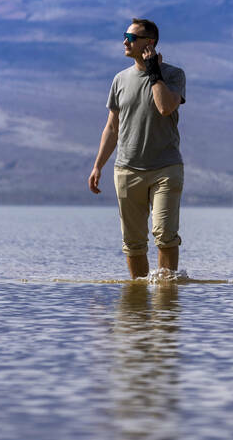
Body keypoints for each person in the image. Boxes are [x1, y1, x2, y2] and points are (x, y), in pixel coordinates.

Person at [89, 18, 187, 278]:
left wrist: (154, 72)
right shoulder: (120, 79)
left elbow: (165, 107)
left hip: (165, 168)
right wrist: (98, 165)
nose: (124, 42)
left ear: (149, 43)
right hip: (127, 170)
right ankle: (138, 304)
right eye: (125, 36)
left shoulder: (174, 75)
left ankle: (165, 303)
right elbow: (112, 127)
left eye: (130, 38)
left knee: (165, 235)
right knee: (133, 243)